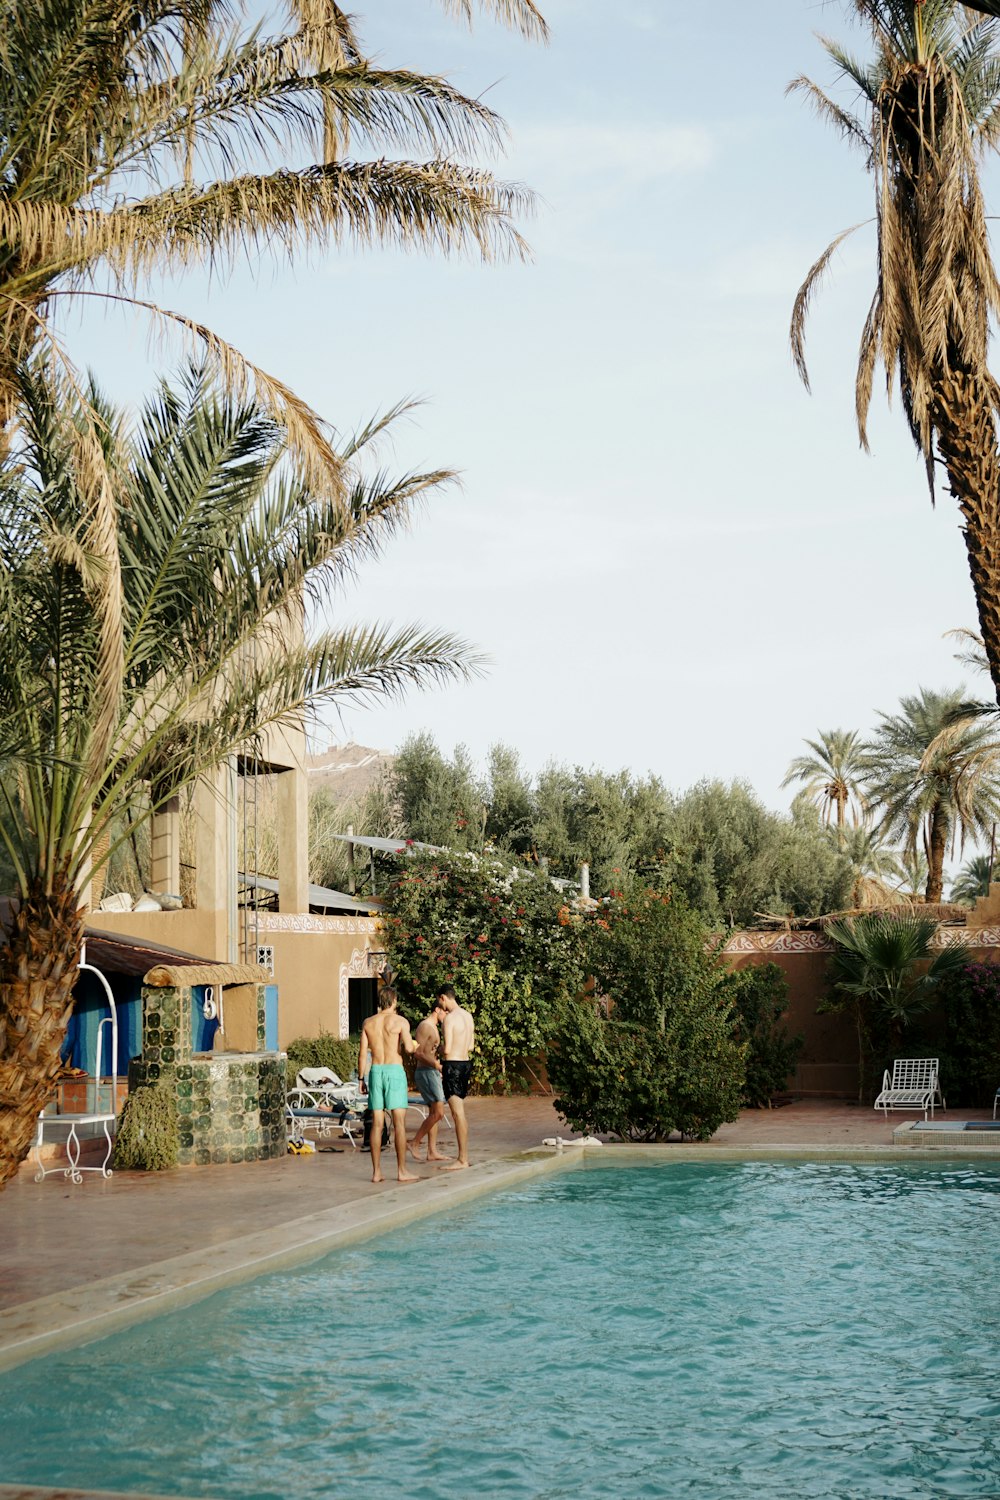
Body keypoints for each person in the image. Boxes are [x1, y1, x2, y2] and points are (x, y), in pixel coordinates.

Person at [358, 987, 419, 1184]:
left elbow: (362, 1054)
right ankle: (402, 1171)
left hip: (375, 1071)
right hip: (394, 1071)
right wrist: (416, 1046)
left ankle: (376, 1172)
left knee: (377, 1124)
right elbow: (409, 1048)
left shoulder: (368, 1023)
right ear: (394, 1001)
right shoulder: (400, 1021)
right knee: (399, 1123)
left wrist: (361, 1079)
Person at [436, 984, 475, 1171]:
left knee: (458, 1114)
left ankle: (462, 1159)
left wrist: (438, 1048)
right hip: (466, 1063)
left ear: (443, 997)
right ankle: (463, 1157)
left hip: (453, 1066)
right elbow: (471, 1046)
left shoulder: (449, 1019)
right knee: (460, 1113)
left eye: (439, 1000)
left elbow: (448, 1049)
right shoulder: (468, 1016)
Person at [408, 999, 450, 1162]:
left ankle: (431, 1151)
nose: (446, 1014)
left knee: (434, 1112)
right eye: (445, 1011)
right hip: (426, 1071)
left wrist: (440, 1049)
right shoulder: (425, 1026)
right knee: (439, 1112)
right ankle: (414, 1142)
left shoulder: (434, 1027)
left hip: (431, 1070)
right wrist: (436, 1065)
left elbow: (429, 1050)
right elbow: (417, 1053)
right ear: (437, 1009)